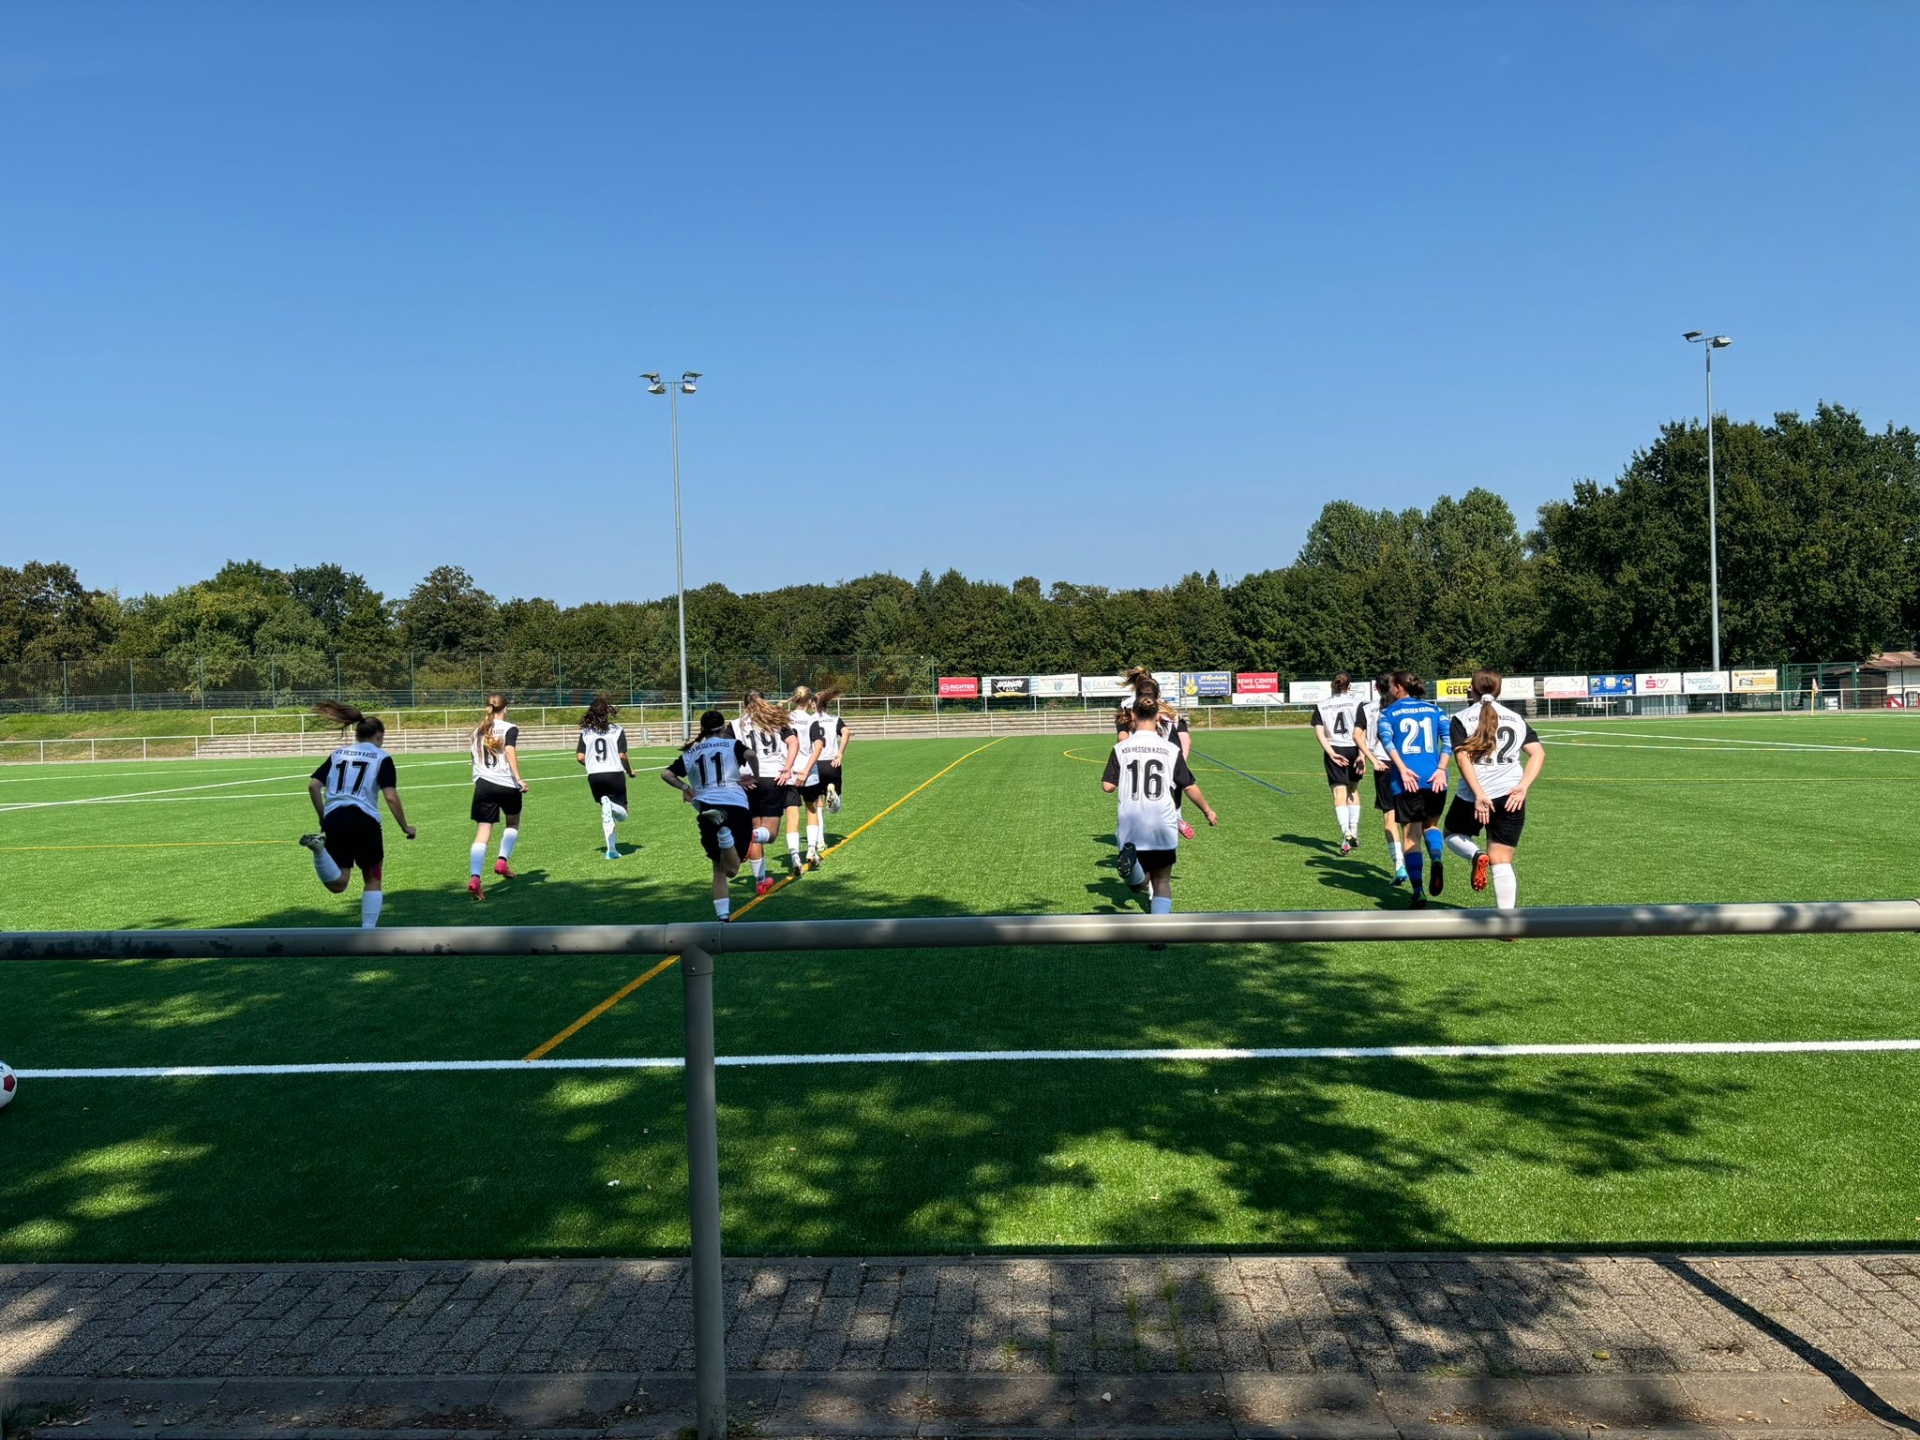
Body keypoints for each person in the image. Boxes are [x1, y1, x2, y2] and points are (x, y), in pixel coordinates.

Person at [1102, 694, 1218, 943]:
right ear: (1157, 717)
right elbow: (1189, 786)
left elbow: (1107, 787)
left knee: (1138, 885)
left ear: (1133, 715)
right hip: (1163, 823)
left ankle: (1132, 871)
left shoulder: (1121, 749)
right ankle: (1158, 935)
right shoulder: (1171, 750)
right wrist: (1207, 811)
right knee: (1162, 879)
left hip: (1132, 823)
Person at [298, 701, 415, 928]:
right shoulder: (381, 757)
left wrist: (323, 818)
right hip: (364, 821)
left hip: (335, 819)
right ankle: (368, 932)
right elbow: (390, 796)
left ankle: (319, 850)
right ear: (379, 736)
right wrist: (405, 827)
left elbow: (313, 786)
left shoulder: (338, 754)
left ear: (357, 734)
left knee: (339, 883)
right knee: (372, 877)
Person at [1446, 670, 1546, 912]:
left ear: (1472, 689)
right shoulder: (1515, 718)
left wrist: (1480, 795)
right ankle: (1507, 920)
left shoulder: (1461, 718)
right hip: (1511, 796)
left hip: (1473, 797)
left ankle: (1476, 855)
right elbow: (1538, 753)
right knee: (1501, 860)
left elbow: (1462, 758)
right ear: (1499, 691)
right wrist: (1523, 787)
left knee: (1451, 834)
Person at [662, 709, 756, 921]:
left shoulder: (692, 751)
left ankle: (723, 918)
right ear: (723, 727)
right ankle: (724, 833)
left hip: (707, 807)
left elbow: (666, 774)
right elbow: (751, 755)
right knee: (732, 870)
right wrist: (755, 777)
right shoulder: (731, 744)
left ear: (702, 728)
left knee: (718, 867)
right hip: (736, 804)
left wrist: (685, 788)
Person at [1375, 672, 1451, 909]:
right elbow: (1449, 740)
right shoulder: (1436, 710)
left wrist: (1402, 769)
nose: (1389, 690)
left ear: (1398, 687)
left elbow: (1387, 742)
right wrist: (1441, 769)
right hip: (1435, 779)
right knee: (1432, 826)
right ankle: (1436, 858)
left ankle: (1418, 892)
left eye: (1390, 686)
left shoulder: (1388, 713)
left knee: (1411, 838)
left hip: (1407, 782)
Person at [733, 689, 797, 895]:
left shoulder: (734, 724)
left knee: (754, 829)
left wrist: (736, 777)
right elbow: (793, 742)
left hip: (747, 781)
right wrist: (788, 767)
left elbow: (725, 752)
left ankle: (760, 881)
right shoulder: (775, 720)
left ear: (745, 705)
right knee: (769, 835)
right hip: (771, 778)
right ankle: (747, 838)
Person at [1126, 667, 1197, 839]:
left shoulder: (1130, 710)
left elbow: (1124, 737)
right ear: (1159, 693)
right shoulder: (1172, 712)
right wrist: (1180, 765)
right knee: (1174, 795)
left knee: (1141, 801)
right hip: (1169, 759)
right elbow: (1186, 741)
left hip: (1140, 760)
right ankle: (1175, 818)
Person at [467, 692, 526, 899]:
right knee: (513, 823)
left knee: (482, 833)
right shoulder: (510, 728)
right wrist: (519, 778)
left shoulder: (477, 731)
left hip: (484, 785)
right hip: (507, 785)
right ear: (506, 708)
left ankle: (475, 878)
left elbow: (473, 757)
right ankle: (502, 860)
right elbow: (509, 751)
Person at [1355, 671, 1406, 884]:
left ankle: (1399, 864)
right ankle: (1417, 866)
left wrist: (1366, 757)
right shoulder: (1406, 706)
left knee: (1389, 818)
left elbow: (1358, 736)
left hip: (1383, 764)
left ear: (1376, 687)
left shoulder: (1367, 708)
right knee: (1410, 823)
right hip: (1408, 765)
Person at [1310, 673, 1367, 854]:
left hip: (1335, 749)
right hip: (1354, 749)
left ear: (1332, 685)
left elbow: (1319, 733)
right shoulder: (1357, 703)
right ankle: (1353, 831)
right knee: (1353, 791)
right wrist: (1362, 755)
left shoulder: (1322, 705)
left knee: (1339, 793)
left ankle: (1345, 832)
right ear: (1350, 686)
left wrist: (1331, 753)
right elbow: (1362, 731)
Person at [575, 696, 636, 860]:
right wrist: (630, 771)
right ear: (607, 712)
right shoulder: (617, 730)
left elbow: (580, 757)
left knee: (606, 811)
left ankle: (612, 850)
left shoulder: (586, 732)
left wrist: (592, 765)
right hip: (614, 774)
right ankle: (611, 806)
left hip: (594, 776)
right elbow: (622, 756)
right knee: (623, 814)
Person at [786, 685, 828, 872]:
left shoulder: (784, 718)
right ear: (810, 701)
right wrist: (806, 770)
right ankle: (811, 849)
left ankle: (795, 856)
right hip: (808, 772)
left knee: (792, 814)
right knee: (812, 810)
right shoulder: (812, 720)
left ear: (794, 699)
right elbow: (818, 746)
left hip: (789, 773)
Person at [814, 687, 854, 815]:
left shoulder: (810, 720)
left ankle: (820, 828)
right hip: (832, 763)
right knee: (835, 809)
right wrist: (840, 753)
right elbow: (846, 732)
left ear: (813, 705)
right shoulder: (835, 719)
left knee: (817, 800)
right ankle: (832, 793)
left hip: (815, 763)